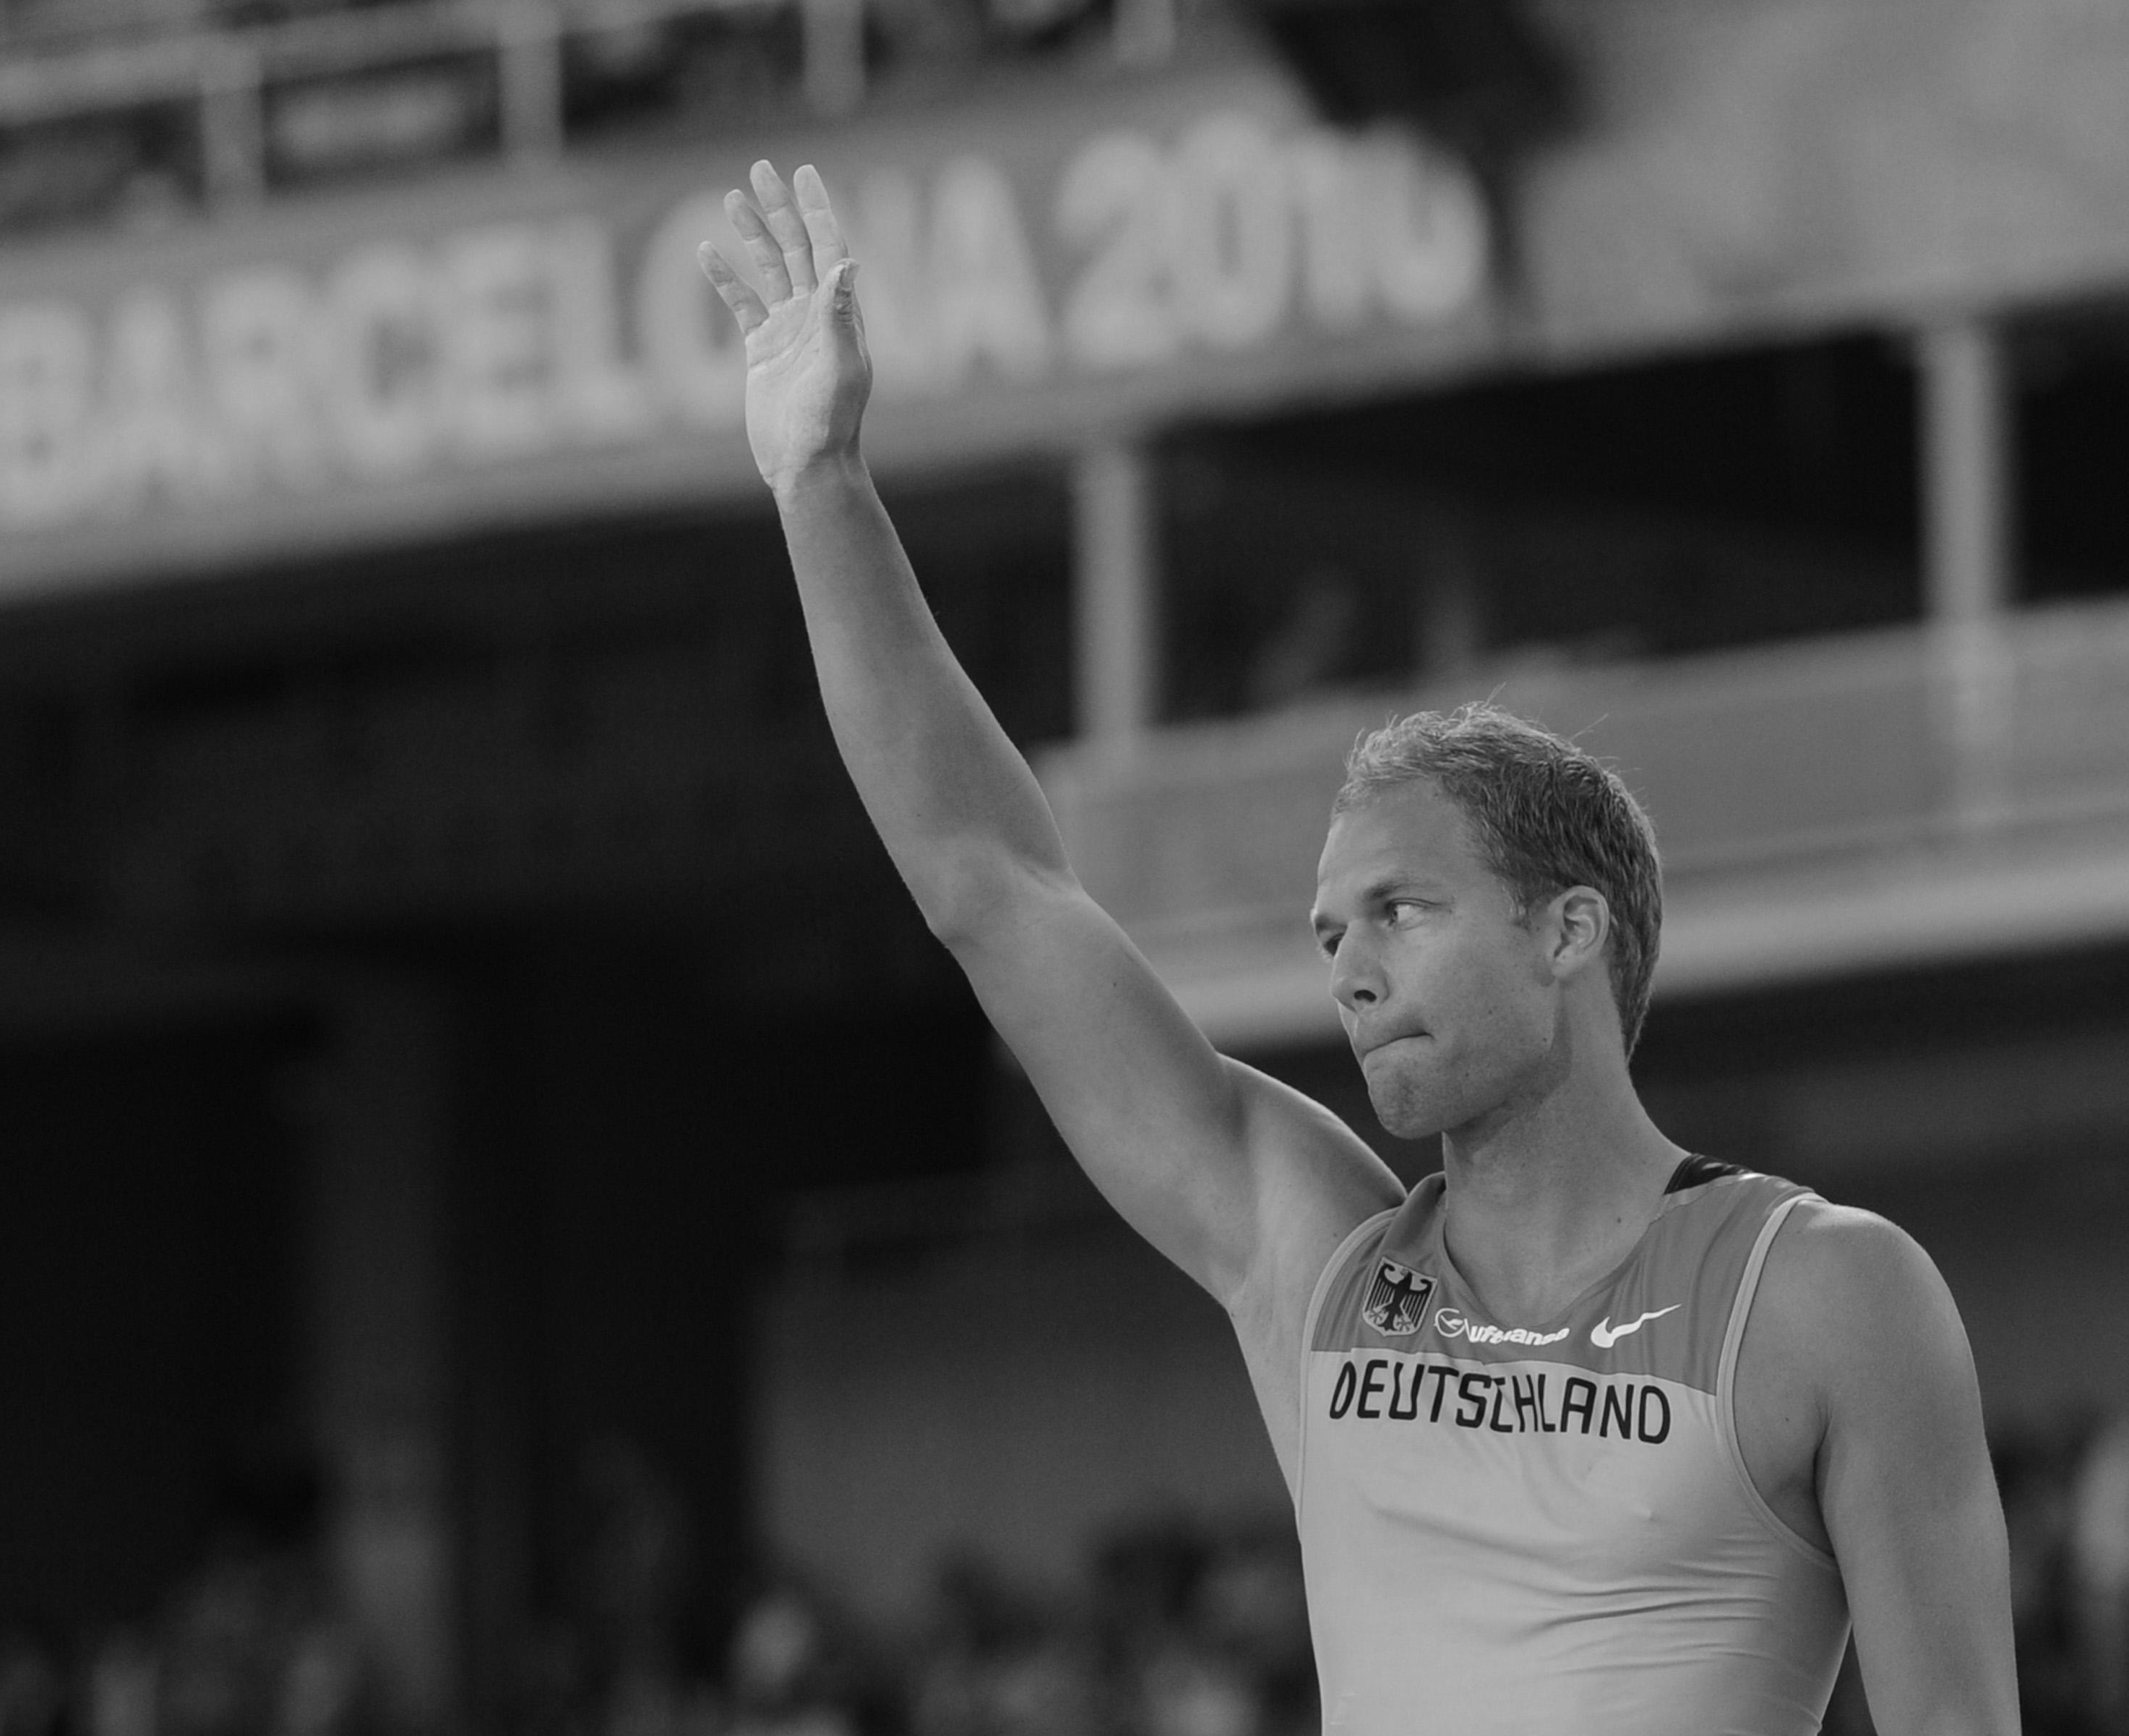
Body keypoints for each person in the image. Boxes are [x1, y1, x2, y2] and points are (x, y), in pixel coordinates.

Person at [697, 160, 2021, 1734]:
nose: (1348, 967)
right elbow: (993, 884)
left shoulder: (1821, 1295)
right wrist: (821, 486)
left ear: (1565, 931)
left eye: (1399, 909)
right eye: (1330, 930)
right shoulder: (1314, 1257)